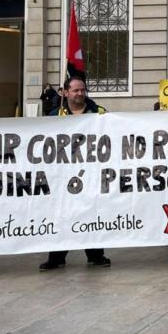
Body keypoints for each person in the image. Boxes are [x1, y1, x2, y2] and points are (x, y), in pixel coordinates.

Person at [39, 75, 111, 271]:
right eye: (75, 90)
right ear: (65, 92)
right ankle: (57, 257)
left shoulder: (99, 112)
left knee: (92, 213)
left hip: (92, 172)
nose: (80, 94)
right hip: (63, 175)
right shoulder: (55, 116)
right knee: (62, 214)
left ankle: (96, 255)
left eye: (82, 90)